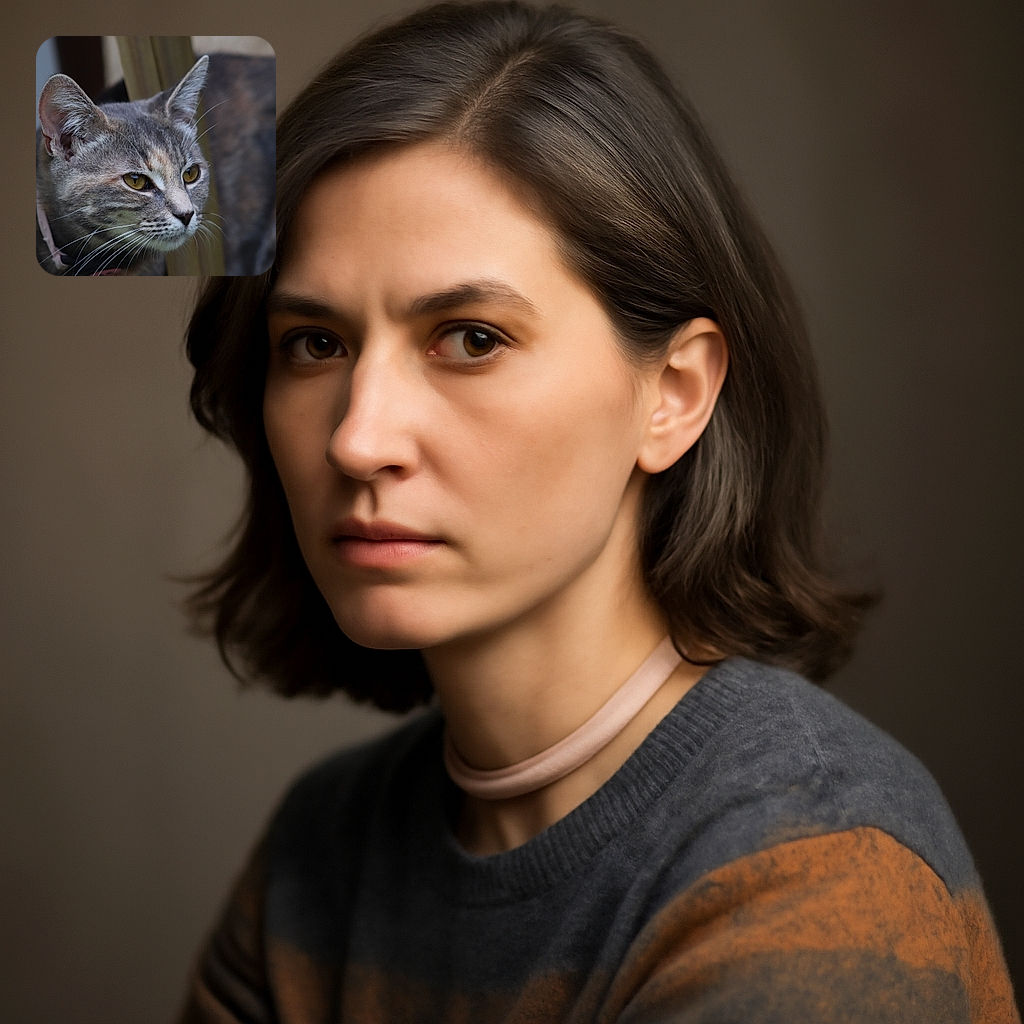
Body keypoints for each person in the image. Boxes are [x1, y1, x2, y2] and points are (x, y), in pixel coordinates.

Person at [176, 2, 1019, 1020]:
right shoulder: (320, 852)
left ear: (672, 393)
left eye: (470, 338)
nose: (357, 438)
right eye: (314, 343)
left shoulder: (817, 862)